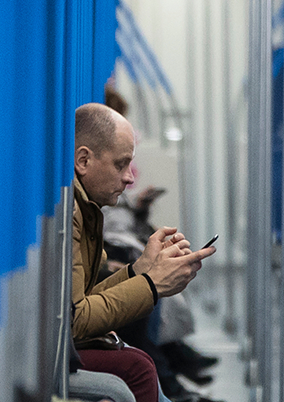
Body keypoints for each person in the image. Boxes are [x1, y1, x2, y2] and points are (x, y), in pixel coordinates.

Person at [70, 103, 216, 402]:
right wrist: (150, 285)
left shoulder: (88, 209)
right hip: (56, 349)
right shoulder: (74, 214)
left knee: (139, 361)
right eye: (120, 165)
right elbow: (77, 319)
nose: (129, 178)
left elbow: (85, 296)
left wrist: (139, 270)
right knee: (137, 366)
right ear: (83, 160)